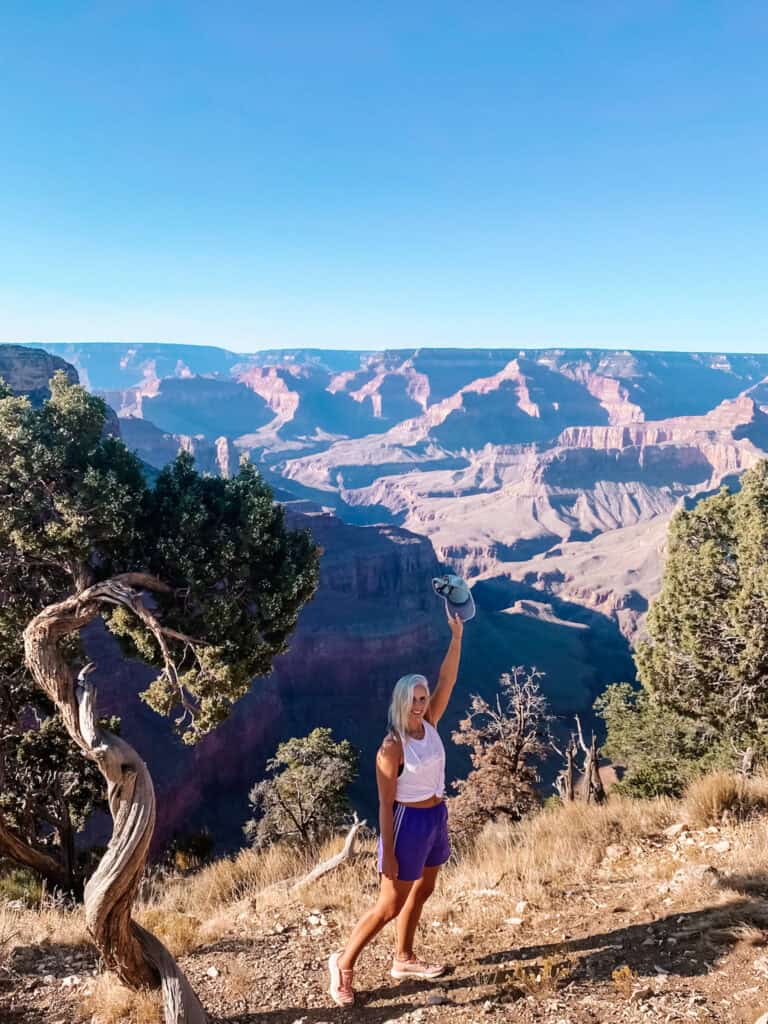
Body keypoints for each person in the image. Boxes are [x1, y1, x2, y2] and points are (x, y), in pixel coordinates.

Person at [328, 611, 464, 1006]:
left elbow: (448, 679)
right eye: (414, 699)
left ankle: (403, 958)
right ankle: (343, 962)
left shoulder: (432, 723)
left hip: (436, 817)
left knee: (424, 890)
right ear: (401, 701)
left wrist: (456, 636)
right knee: (390, 904)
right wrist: (387, 851)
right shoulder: (392, 747)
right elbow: (385, 804)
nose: (421, 704)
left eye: (423, 698)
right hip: (408, 824)